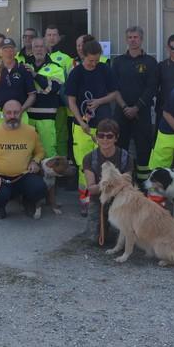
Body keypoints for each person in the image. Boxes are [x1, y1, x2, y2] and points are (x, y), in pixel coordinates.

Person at [66, 38, 120, 215]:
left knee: (106, 163)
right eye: (90, 60)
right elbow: (71, 100)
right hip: (82, 126)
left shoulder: (104, 69)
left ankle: (105, 198)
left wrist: (99, 101)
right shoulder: (76, 73)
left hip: (103, 125)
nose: (93, 64)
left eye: (96, 60)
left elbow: (114, 94)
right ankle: (86, 199)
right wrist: (81, 122)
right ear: (84, 56)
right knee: (84, 164)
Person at [0, 100, 47, 219]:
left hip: (24, 176)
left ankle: (27, 201)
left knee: (40, 187)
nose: (12, 116)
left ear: (21, 113)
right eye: (9, 113)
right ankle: (0, 206)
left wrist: (35, 161)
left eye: (16, 113)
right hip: (1, 178)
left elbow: (40, 151)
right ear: (4, 114)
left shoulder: (30, 132)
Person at [111, 26, 158, 185]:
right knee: (120, 148)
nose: (133, 40)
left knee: (144, 148)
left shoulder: (150, 62)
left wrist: (136, 107)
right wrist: (125, 107)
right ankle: (123, 183)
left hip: (142, 113)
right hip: (121, 112)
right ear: (126, 40)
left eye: (136, 37)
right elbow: (114, 88)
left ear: (141, 39)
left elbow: (152, 88)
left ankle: (144, 186)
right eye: (130, 37)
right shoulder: (118, 62)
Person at [82, 119, 133, 245]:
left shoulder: (126, 157)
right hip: (98, 201)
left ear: (116, 138)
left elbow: (127, 184)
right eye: (101, 135)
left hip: (119, 202)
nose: (105, 139)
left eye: (109, 136)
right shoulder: (89, 158)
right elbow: (91, 189)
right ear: (97, 137)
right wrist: (112, 183)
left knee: (119, 241)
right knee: (93, 240)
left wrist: (106, 184)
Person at [27, 37, 65, 158]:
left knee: (48, 152)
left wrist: (34, 75)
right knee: (28, 153)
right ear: (32, 49)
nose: (39, 50)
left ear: (47, 48)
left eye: (41, 46)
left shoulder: (56, 67)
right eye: (36, 47)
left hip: (47, 117)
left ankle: (49, 177)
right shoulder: (25, 66)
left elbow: (53, 88)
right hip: (27, 117)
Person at [0, 38, 36, 123]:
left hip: (20, 115)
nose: (8, 52)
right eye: (5, 49)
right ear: (0, 52)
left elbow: (32, 95)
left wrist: (22, 110)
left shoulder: (24, 69)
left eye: (11, 49)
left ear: (15, 51)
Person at [44, 25, 72, 158]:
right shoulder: (38, 56)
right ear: (45, 37)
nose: (51, 38)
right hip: (42, 104)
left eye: (54, 35)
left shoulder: (66, 58)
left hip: (60, 104)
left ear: (59, 37)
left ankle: (62, 163)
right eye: (49, 35)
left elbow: (69, 83)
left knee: (61, 134)